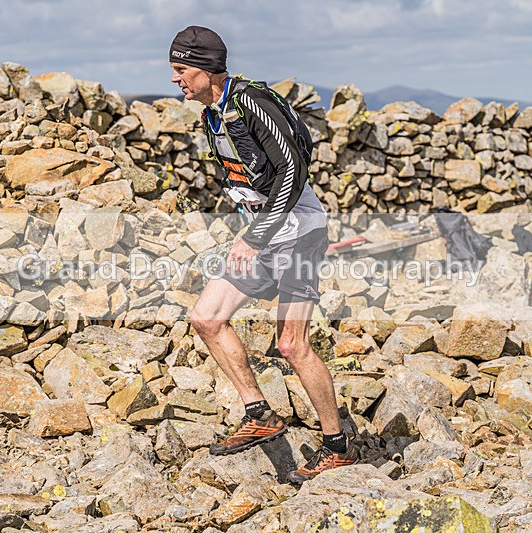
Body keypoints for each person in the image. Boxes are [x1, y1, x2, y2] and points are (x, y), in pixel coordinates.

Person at [169, 25, 359, 485]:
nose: (175, 80)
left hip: (298, 234)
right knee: (207, 317)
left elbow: (294, 170)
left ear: (207, 69)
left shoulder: (253, 101)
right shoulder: (211, 115)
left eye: (181, 70)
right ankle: (259, 413)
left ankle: (337, 448)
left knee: (292, 345)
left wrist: (257, 237)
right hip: (264, 234)